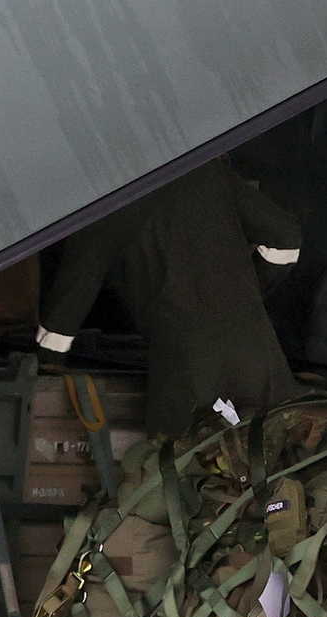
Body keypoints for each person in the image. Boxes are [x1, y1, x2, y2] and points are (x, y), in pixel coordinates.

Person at [37, 159, 304, 435]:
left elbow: (74, 292)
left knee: (185, 466)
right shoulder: (204, 169)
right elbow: (286, 238)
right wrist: (247, 292)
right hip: (258, 359)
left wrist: (46, 360)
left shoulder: (107, 199)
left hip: (186, 371)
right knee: (271, 460)